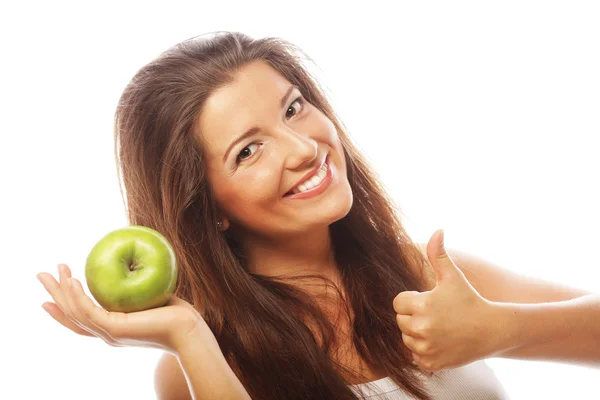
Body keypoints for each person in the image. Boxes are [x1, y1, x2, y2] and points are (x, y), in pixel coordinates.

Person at [36, 31, 597, 400]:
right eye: (248, 150)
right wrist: (188, 333)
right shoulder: (205, 363)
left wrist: (500, 331)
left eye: (293, 108)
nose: (304, 148)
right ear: (208, 209)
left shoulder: (423, 272)